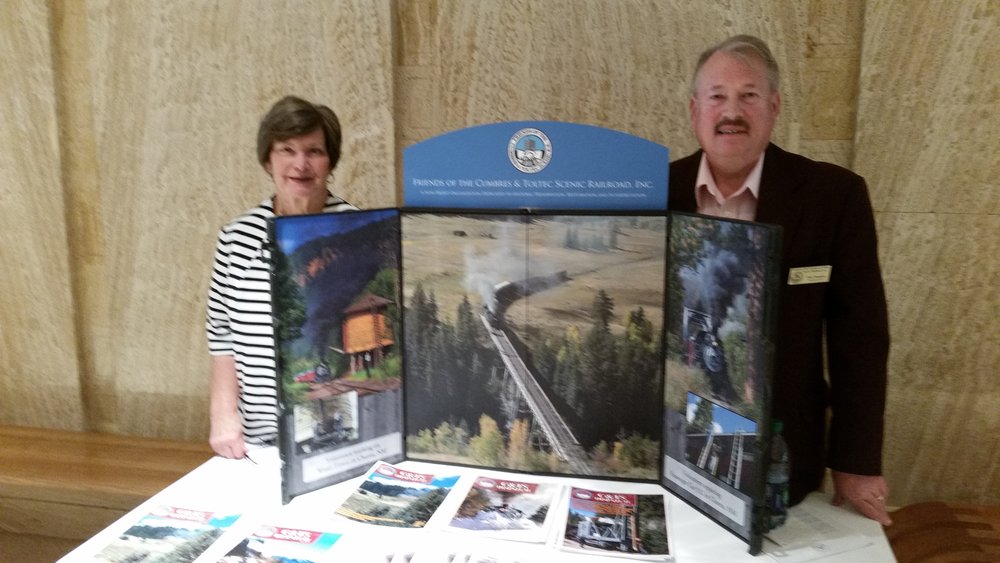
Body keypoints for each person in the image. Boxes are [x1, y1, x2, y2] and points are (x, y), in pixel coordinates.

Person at [669, 35, 892, 526]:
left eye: (749, 95)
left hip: (787, 459)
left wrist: (855, 462)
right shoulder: (653, 193)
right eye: (717, 96)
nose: (732, 111)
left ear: (774, 107)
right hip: (666, 452)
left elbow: (860, 340)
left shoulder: (834, 197)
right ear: (694, 109)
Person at [206, 95, 356, 459]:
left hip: (340, 437)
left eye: (314, 151)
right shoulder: (236, 236)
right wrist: (222, 414)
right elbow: (221, 332)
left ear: (330, 160)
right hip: (258, 443)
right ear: (268, 160)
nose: (300, 163)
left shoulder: (357, 230)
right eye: (287, 149)